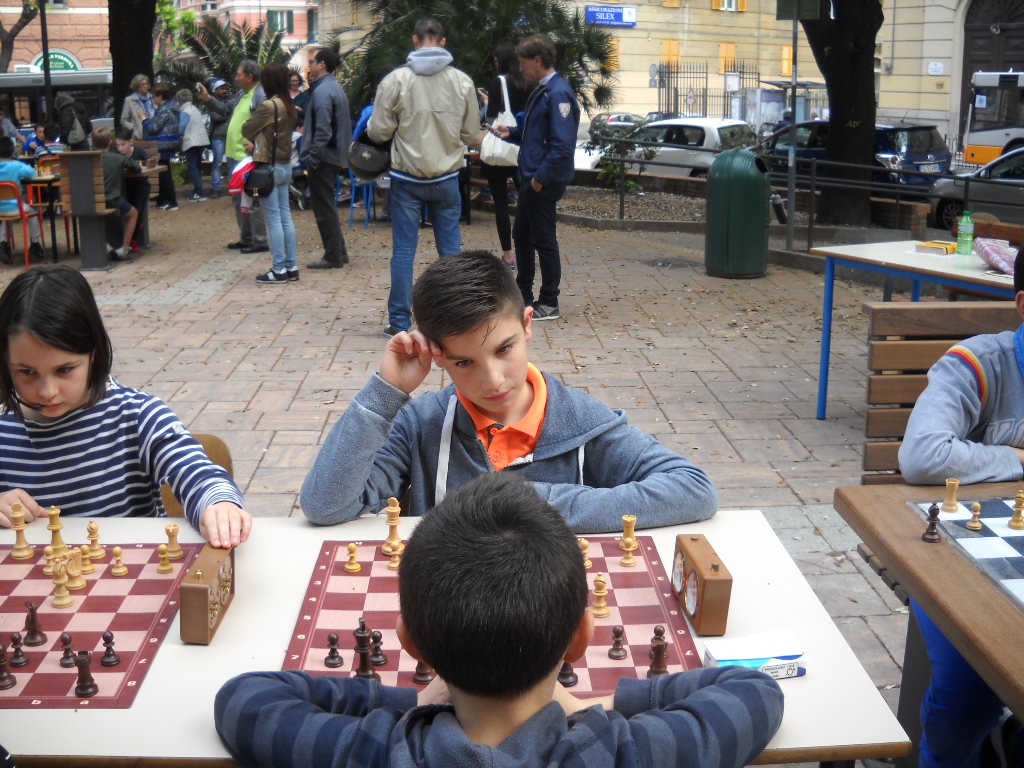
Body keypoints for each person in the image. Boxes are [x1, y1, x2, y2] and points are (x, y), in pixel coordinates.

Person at [219, 472, 782, 768]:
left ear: (411, 644)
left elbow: (245, 701)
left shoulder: (369, 754)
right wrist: (601, 705)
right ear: (580, 640)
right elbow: (753, 692)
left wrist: (413, 706)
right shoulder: (625, 755)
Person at [301, 250, 717, 530]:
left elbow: (693, 490)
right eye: (464, 362)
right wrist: (385, 393)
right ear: (438, 358)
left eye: (504, 349)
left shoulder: (584, 422)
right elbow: (326, 506)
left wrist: (521, 503)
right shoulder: (421, 423)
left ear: (528, 325)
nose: (494, 380)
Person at [0, 265, 252, 548]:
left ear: (93, 355)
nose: (47, 391)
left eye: (65, 370)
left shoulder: (138, 416)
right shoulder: (4, 430)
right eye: (27, 373)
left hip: (133, 578)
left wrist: (219, 504)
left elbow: (196, 473)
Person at [898, 254, 1024, 768]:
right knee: (968, 696)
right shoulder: (977, 364)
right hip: (960, 558)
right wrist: (1016, 458)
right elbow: (922, 455)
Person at [366, 18, 479, 335]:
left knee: (404, 251)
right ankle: (455, 321)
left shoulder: (395, 80)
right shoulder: (462, 82)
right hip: (446, 179)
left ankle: (399, 322)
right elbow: (472, 134)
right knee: (451, 253)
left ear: (415, 41)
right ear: (442, 42)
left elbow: (378, 131)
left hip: (407, 179)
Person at [495, 36, 580, 322]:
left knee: (543, 239)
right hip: (531, 177)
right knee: (522, 234)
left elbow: (562, 145)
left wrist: (539, 180)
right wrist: (513, 132)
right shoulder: (543, 91)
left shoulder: (558, 94)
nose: (521, 68)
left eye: (523, 63)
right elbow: (536, 133)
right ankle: (523, 296)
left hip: (542, 179)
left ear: (538, 61)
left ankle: (549, 301)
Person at [242, 62, 299, 285]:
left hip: (269, 167)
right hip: (285, 166)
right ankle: (291, 266)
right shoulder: (289, 104)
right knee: (286, 217)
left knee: (274, 219)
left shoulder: (269, 106)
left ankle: (278, 269)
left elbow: (247, 129)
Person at [298, 47, 350, 271]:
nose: (309, 66)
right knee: (327, 204)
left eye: (312, 62)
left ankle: (333, 255)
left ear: (322, 65)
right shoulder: (333, 88)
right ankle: (339, 251)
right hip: (333, 155)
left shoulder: (322, 92)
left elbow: (323, 130)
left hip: (324, 157)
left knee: (324, 207)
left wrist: (313, 158)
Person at [482, 42, 532, 270]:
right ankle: (527, 250)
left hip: (501, 149)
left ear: (499, 60)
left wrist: (487, 103)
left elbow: (491, 117)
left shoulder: (498, 82)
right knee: (526, 202)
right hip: (521, 148)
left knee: (501, 203)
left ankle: (509, 255)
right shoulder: (528, 82)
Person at [225, 60, 268, 254]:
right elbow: (225, 111)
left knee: (253, 199)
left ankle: (259, 241)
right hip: (235, 156)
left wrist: (256, 144)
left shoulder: (259, 95)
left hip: (248, 157)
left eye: (239, 74)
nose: (236, 78)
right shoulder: (242, 95)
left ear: (249, 77)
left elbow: (267, 122)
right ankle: (246, 238)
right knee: (238, 200)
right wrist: (208, 98)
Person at [92, 126, 138, 261]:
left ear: (93, 143)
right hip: (112, 199)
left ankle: (106, 244)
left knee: (97, 213)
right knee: (133, 213)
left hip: (92, 200)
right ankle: (123, 248)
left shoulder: (88, 158)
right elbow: (136, 167)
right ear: (110, 143)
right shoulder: (117, 158)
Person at [0, 136, 44, 264]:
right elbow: (32, 174)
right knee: (33, 212)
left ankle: (3, 243)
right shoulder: (16, 166)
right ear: (12, 150)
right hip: (15, 207)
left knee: (5, 220)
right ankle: (35, 244)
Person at [141, 85, 179, 211]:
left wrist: (144, 120)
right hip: (168, 143)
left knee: (164, 174)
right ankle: (163, 199)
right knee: (163, 172)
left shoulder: (164, 109)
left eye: (154, 96)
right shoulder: (170, 107)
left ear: (160, 97)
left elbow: (153, 129)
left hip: (163, 144)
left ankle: (171, 201)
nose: (153, 99)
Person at [115, 128, 151, 250]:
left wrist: (139, 163)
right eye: (118, 145)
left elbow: (148, 162)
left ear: (131, 142)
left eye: (123, 144)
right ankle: (124, 239)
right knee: (124, 211)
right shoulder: (116, 155)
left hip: (140, 186)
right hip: (124, 187)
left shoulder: (139, 151)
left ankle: (133, 239)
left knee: (137, 210)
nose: (120, 148)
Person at [196, 78, 231, 198]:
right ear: (215, 90)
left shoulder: (230, 100)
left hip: (231, 136)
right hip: (218, 136)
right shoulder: (211, 101)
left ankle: (233, 187)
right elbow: (215, 117)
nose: (225, 90)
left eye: (226, 88)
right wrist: (227, 113)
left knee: (232, 163)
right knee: (217, 163)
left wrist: (224, 113)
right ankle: (216, 188)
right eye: (222, 88)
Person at [174, 89, 210, 202]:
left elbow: (181, 127)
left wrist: (176, 136)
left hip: (191, 142)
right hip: (201, 141)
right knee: (197, 167)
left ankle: (199, 193)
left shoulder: (185, 111)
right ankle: (198, 191)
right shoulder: (194, 109)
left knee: (193, 167)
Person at [120, 74, 155, 141]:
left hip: (154, 135)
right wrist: (134, 129)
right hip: (139, 137)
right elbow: (123, 120)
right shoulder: (130, 100)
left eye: (146, 84)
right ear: (137, 86)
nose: (145, 86)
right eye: (142, 84)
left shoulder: (153, 98)